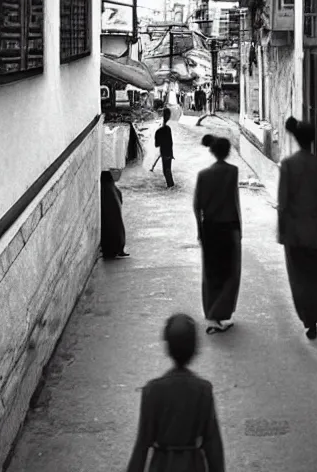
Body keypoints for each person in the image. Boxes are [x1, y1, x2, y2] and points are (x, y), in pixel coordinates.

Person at [126, 313, 225, 472]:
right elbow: (212, 443)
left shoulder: (152, 391)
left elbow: (142, 445)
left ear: (168, 348)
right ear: (194, 349)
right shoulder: (203, 390)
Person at [277, 118, 317, 340]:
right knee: (316, 276)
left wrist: (282, 231)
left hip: (295, 232)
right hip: (316, 231)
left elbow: (283, 202)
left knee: (299, 277)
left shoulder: (289, 165)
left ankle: (308, 319)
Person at [193, 135, 242, 334]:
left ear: (212, 151)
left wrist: (199, 230)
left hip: (209, 228)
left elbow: (197, 206)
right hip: (228, 227)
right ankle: (219, 313)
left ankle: (212, 314)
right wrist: (240, 230)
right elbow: (235, 203)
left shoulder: (203, 175)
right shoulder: (233, 171)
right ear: (227, 151)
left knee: (211, 271)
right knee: (230, 272)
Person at [100, 169, 129, 259]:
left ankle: (111, 250)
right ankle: (120, 249)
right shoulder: (114, 189)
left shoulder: (104, 188)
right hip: (118, 229)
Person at [154, 108, 175, 188]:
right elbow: (170, 143)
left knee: (166, 171)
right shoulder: (167, 129)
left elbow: (156, 145)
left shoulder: (159, 131)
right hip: (168, 152)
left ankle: (171, 187)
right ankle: (171, 187)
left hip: (164, 152)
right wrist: (171, 154)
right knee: (167, 171)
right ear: (169, 116)